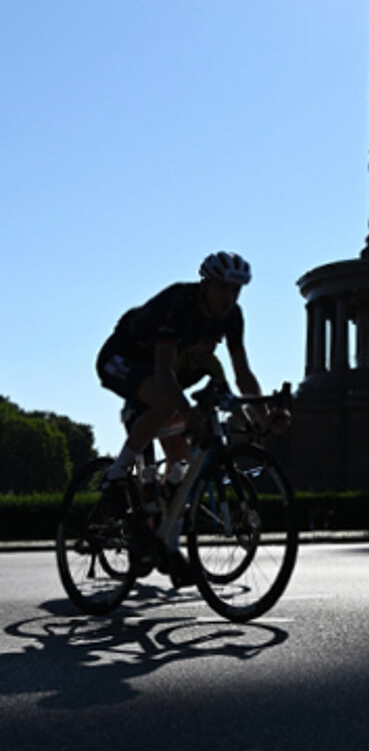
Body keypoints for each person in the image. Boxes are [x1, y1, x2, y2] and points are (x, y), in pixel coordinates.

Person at [96, 251, 277, 586]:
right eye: (224, 288)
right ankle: (115, 474)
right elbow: (165, 373)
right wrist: (190, 412)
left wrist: (264, 419)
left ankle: (164, 538)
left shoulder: (232, 317)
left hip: (160, 375)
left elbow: (243, 376)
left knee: (182, 458)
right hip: (122, 358)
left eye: (236, 291)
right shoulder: (180, 303)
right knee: (169, 404)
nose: (229, 297)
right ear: (206, 283)